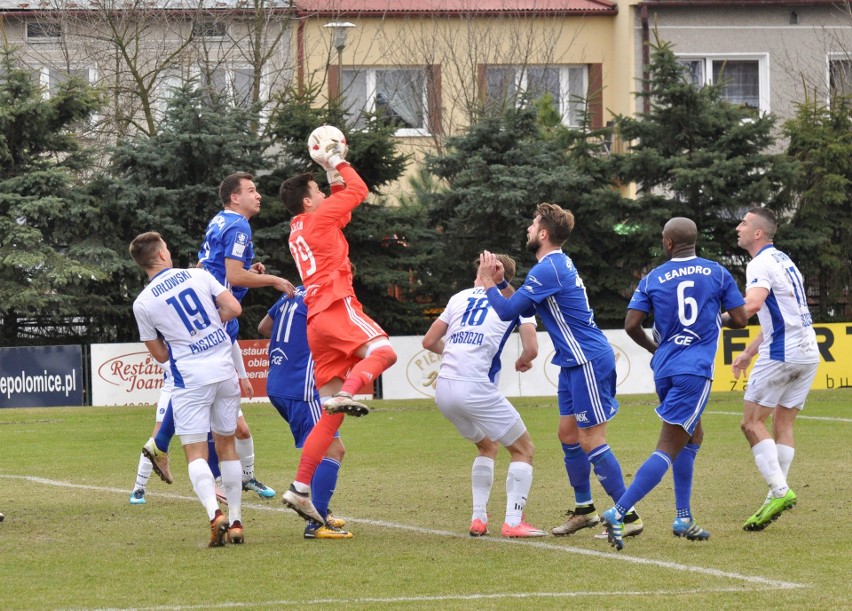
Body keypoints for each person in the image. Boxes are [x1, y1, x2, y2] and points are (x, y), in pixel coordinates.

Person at [476, 203, 642, 539]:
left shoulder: (548, 269)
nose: (528, 228)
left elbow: (507, 312)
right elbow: (518, 302)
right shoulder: (551, 266)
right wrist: (501, 281)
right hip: (572, 362)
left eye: (533, 223)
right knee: (568, 436)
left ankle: (628, 515)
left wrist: (486, 284)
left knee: (591, 438)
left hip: (588, 361)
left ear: (543, 233)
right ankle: (585, 509)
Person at [599, 218, 748, 550]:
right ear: (695, 241)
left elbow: (631, 324)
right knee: (668, 446)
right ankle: (618, 511)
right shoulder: (717, 273)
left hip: (665, 368)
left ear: (668, 243)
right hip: (694, 369)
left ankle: (683, 517)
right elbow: (740, 319)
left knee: (692, 435)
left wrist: (657, 348)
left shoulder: (653, 278)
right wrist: (716, 318)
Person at [277, 135, 397, 525]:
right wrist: (336, 161)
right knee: (384, 352)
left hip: (315, 320)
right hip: (336, 303)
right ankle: (349, 392)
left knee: (329, 417)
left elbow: (340, 210)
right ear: (310, 201)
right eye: (318, 191)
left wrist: (329, 174)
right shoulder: (320, 217)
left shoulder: (300, 227)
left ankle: (299, 488)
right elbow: (359, 190)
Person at [165, 171, 293, 499]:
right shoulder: (238, 225)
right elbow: (232, 274)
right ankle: (215, 477)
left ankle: (231, 476)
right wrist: (274, 280)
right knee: (215, 406)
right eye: (251, 190)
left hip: (212, 312)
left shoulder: (220, 221)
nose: (258, 195)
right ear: (235, 198)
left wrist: (253, 272)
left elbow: (214, 267)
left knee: (226, 413)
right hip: (217, 318)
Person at [130, 231, 244, 547]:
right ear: (163, 255)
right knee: (227, 446)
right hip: (224, 371)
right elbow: (234, 309)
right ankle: (236, 521)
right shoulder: (198, 274)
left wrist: (186, 343)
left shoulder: (143, 303)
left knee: (195, 451)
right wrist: (209, 328)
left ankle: (214, 514)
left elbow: (160, 354)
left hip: (190, 379)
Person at [422, 254, 546, 538]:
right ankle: (513, 522)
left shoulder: (459, 298)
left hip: (444, 389)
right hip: (475, 386)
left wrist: (455, 352)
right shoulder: (518, 303)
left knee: (487, 447)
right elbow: (532, 348)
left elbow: (428, 341)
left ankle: (478, 519)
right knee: (523, 450)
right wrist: (524, 360)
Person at [725, 207, 819, 531]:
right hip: (807, 353)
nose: (738, 227)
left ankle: (779, 491)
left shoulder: (759, 263)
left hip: (782, 353)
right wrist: (749, 352)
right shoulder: (785, 261)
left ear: (758, 233)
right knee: (783, 422)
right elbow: (779, 313)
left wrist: (714, 318)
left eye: (744, 223)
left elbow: (751, 305)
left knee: (751, 423)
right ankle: (774, 495)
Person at [257, 288, 352, 539]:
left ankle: (322, 510)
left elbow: (264, 327)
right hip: (303, 387)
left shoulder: (293, 292)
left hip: (277, 382)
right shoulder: (327, 295)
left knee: (322, 449)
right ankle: (316, 521)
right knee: (333, 450)